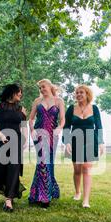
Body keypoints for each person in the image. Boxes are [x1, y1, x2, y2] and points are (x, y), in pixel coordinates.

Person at [0, 84, 28, 212]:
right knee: (0, 167)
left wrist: (25, 140)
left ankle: (8, 200)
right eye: (19, 92)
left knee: (13, 168)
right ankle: (7, 191)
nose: (20, 94)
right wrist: (1, 134)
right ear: (11, 92)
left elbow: (23, 126)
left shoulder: (22, 109)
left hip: (17, 141)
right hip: (2, 141)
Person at [63, 84, 105, 208]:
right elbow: (66, 126)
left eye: (81, 92)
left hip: (90, 139)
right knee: (77, 169)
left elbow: (99, 126)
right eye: (77, 92)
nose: (79, 94)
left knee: (86, 168)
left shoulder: (94, 108)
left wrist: (101, 142)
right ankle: (77, 192)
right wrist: (67, 142)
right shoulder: (71, 108)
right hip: (75, 139)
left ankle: (86, 200)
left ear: (87, 94)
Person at [28, 79, 65, 208]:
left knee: (48, 162)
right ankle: (43, 196)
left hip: (52, 135)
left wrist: (60, 128)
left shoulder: (59, 101)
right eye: (40, 88)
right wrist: (32, 130)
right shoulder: (37, 101)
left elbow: (62, 119)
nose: (42, 89)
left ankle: (40, 193)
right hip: (38, 134)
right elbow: (31, 118)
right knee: (42, 161)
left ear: (50, 86)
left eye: (43, 87)